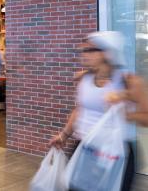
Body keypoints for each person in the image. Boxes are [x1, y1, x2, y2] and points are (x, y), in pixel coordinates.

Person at [49, 31, 148, 191]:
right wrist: (64, 135)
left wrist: (124, 113)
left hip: (115, 152)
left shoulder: (128, 81)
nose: (83, 54)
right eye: (82, 50)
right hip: (85, 147)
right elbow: (80, 109)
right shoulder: (83, 78)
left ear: (107, 53)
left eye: (89, 50)